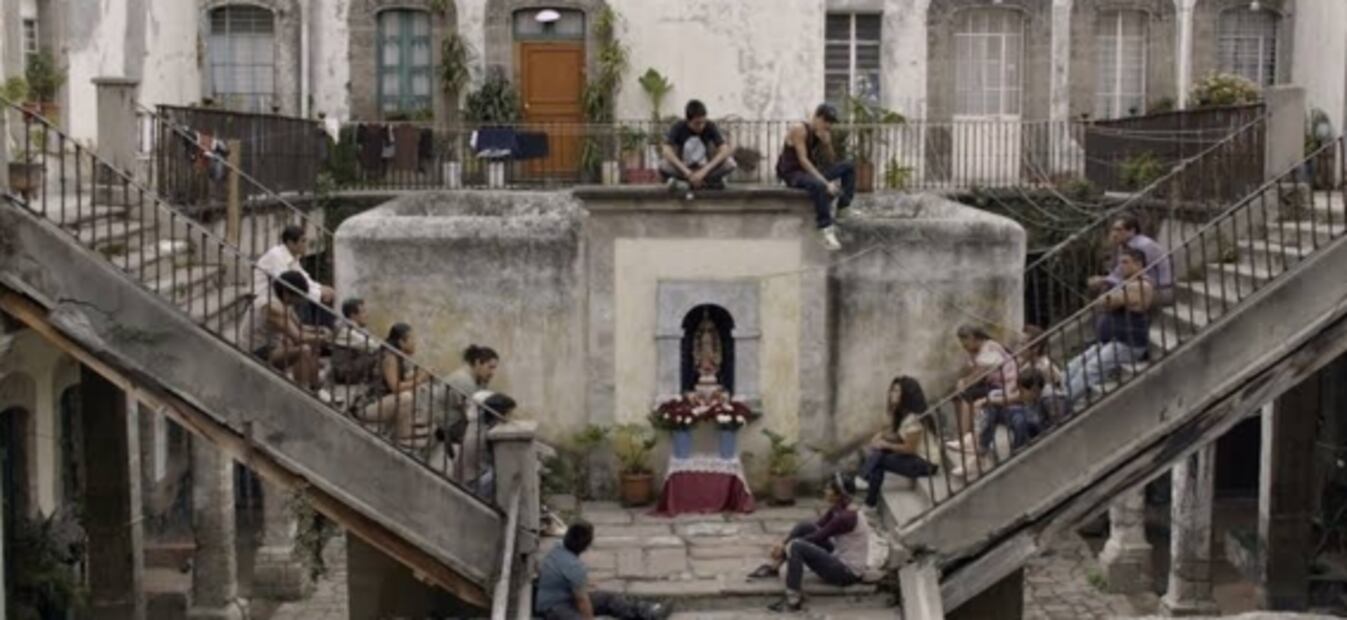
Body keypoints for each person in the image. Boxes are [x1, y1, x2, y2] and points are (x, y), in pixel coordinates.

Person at [747, 475, 873, 612]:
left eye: (829, 489)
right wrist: (783, 543)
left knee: (796, 546)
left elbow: (818, 536)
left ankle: (793, 599)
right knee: (804, 526)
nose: (825, 491)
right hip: (838, 555)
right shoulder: (839, 508)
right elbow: (818, 526)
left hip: (847, 573)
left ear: (839, 495)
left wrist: (785, 547)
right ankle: (775, 567)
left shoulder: (846, 517)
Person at [1066, 247, 1154, 406]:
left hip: (1128, 343)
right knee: (1074, 366)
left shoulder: (1142, 285)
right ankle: (1056, 396)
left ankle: (1063, 403)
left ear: (1139, 264)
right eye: (1121, 262)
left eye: (1126, 262)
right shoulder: (1125, 284)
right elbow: (1108, 299)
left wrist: (1108, 296)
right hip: (1111, 341)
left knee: (1090, 369)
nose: (1121, 266)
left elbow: (1110, 302)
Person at [535, 521, 671, 620]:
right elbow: (582, 601)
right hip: (553, 608)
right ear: (586, 547)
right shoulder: (575, 567)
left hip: (565, 598)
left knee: (608, 599)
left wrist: (580, 584)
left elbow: (556, 573)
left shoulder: (558, 547)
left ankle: (649, 612)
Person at [776, 103, 855, 251]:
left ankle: (843, 207)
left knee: (848, 166)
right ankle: (824, 229)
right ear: (816, 117)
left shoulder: (820, 133)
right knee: (819, 185)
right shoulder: (799, 129)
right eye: (826, 121)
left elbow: (831, 161)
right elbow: (803, 161)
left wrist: (827, 144)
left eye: (831, 122)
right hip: (793, 174)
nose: (828, 125)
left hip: (808, 173)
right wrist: (826, 184)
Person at [855, 376, 940, 510]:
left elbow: (909, 448)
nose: (891, 393)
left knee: (880, 459)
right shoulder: (903, 413)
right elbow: (900, 436)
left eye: (896, 391)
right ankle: (867, 493)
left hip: (926, 464)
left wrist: (886, 444)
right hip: (915, 457)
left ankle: (865, 488)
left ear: (906, 395)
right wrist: (882, 436)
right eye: (892, 390)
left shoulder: (914, 419)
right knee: (879, 453)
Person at [245, 270, 329, 401]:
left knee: (311, 343)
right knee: (304, 349)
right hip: (257, 351)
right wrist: (327, 338)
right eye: (298, 297)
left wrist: (320, 330)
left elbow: (299, 326)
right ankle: (303, 394)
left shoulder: (284, 302)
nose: (300, 301)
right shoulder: (271, 306)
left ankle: (315, 387)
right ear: (287, 293)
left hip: (272, 346)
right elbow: (298, 337)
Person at [947, 325, 1018, 463]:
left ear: (974, 338)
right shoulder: (978, 352)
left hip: (1006, 386)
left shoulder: (990, 347)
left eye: (966, 343)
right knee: (962, 395)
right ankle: (966, 437)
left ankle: (967, 438)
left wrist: (964, 382)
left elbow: (980, 373)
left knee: (967, 396)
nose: (964, 347)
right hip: (996, 384)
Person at [356, 323, 433, 447]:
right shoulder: (390, 358)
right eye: (412, 339)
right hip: (367, 406)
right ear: (401, 342)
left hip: (381, 400)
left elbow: (400, 379)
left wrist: (419, 375)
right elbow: (395, 387)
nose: (414, 342)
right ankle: (402, 437)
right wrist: (420, 379)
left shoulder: (396, 355)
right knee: (406, 397)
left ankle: (409, 425)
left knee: (416, 389)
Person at [254, 225, 336, 327]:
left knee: (320, 297)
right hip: (267, 296)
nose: (305, 244)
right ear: (290, 243)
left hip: (282, 294)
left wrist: (321, 288)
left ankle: (324, 329)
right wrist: (319, 293)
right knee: (304, 298)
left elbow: (303, 278)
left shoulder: (292, 256)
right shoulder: (276, 256)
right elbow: (289, 284)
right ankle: (311, 329)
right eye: (303, 241)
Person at [1087, 214, 1174, 306]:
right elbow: (1118, 272)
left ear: (1132, 231)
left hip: (1160, 290)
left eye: (1119, 230)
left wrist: (1104, 280)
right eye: (1113, 230)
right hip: (1141, 286)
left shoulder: (1142, 246)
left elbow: (1130, 273)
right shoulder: (1124, 245)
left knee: (1115, 294)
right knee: (1103, 288)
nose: (1114, 234)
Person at [659, 99, 737, 197]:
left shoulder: (710, 125)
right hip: (685, 170)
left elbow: (724, 150)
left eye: (703, 122)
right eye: (697, 123)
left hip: (705, 170)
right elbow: (666, 150)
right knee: (663, 164)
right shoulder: (678, 126)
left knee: (730, 163)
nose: (701, 126)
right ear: (688, 121)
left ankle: (689, 184)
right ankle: (706, 183)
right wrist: (688, 172)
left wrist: (704, 171)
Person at [458, 391, 517, 497]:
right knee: (512, 469)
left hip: (467, 478)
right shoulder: (490, 433)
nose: (510, 418)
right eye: (509, 413)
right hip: (475, 484)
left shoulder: (475, 425)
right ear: (500, 414)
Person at [444, 345, 500, 453]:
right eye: (490, 367)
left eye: (494, 368)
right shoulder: (464, 380)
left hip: (460, 421)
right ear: (478, 363)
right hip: (450, 425)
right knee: (489, 435)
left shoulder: (478, 379)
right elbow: (472, 414)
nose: (493, 373)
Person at [331, 297, 381, 386]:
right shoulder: (346, 331)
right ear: (353, 315)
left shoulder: (357, 327)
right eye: (363, 312)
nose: (367, 315)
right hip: (344, 373)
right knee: (380, 354)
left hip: (351, 366)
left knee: (379, 354)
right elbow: (373, 345)